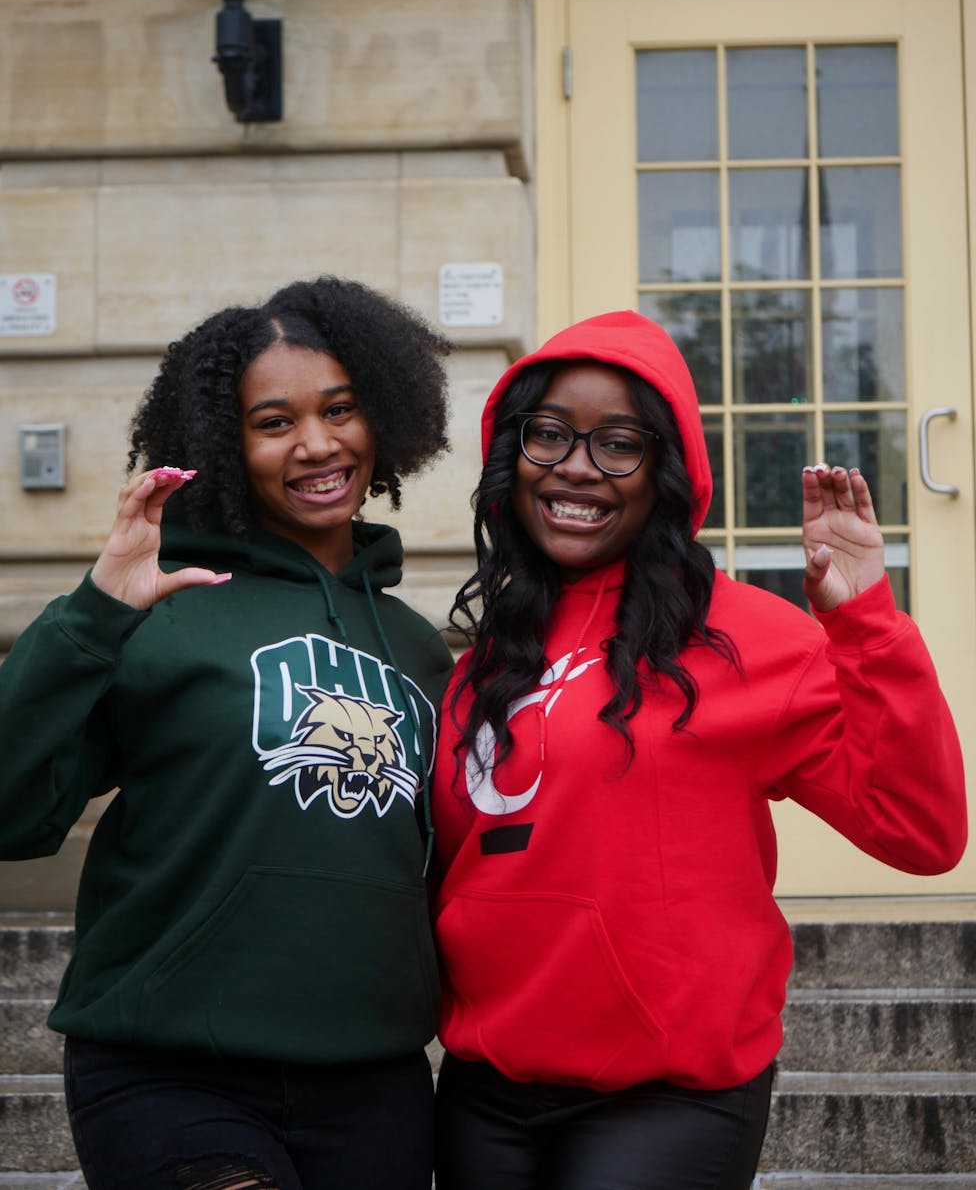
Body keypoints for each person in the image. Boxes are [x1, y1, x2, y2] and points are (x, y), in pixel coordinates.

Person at [431, 309, 967, 1190]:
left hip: (667, 1096)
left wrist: (867, 623)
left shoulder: (750, 638)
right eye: (550, 434)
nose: (576, 466)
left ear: (667, 474)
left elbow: (921, 832)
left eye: (618, 445)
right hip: (485, 1088)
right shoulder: (486, 660)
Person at [0, 276, 456, 1190]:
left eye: (340, 409)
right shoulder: (160, 605)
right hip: (169, 1064)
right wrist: (92, 614)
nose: (318, 444)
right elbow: (12, 814)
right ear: (222, 443)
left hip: (374, 1076)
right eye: (274, 422)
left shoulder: (417, 647)